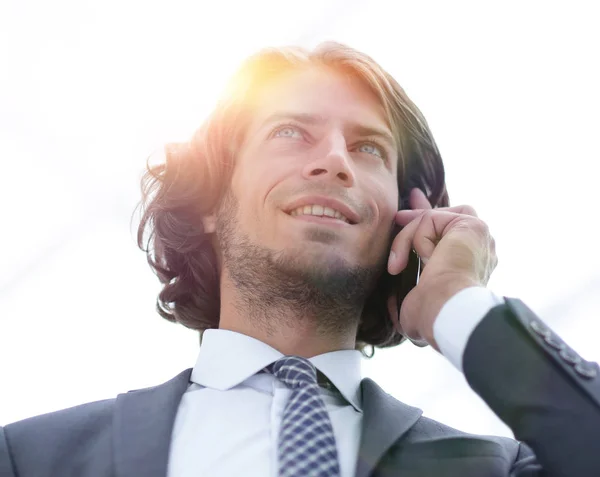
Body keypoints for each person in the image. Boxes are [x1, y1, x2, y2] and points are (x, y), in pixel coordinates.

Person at [1, 41, 599, 477]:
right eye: (291, 132)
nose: (336, 160)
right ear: (212, 197)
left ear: (401, 217)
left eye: (368, 148)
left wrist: (458, 303)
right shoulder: (30, 459)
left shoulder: (498, 468)